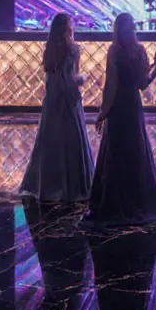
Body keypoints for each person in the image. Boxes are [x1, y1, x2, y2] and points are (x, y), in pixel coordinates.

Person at [84, 13, 156, 228]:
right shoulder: (139, 51)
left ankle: (114, 202)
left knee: (116, 153)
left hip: (118, 106)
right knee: (135, 150)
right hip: (133, 105)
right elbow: (142, 84)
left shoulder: (115, 51)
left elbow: (111, 85)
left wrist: (103, 112)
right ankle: (138, 200)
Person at [20, 13, 95, 203]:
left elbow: (51, 76)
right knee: (71, 139)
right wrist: (82, 80)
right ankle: (72, 186)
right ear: (67, 28)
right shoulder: (73, 49)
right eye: (71, 24)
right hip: (68, 100)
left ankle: (50, 185)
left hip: (52, 99)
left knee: (50, 139)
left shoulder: (49, 49)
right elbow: (72, 77)